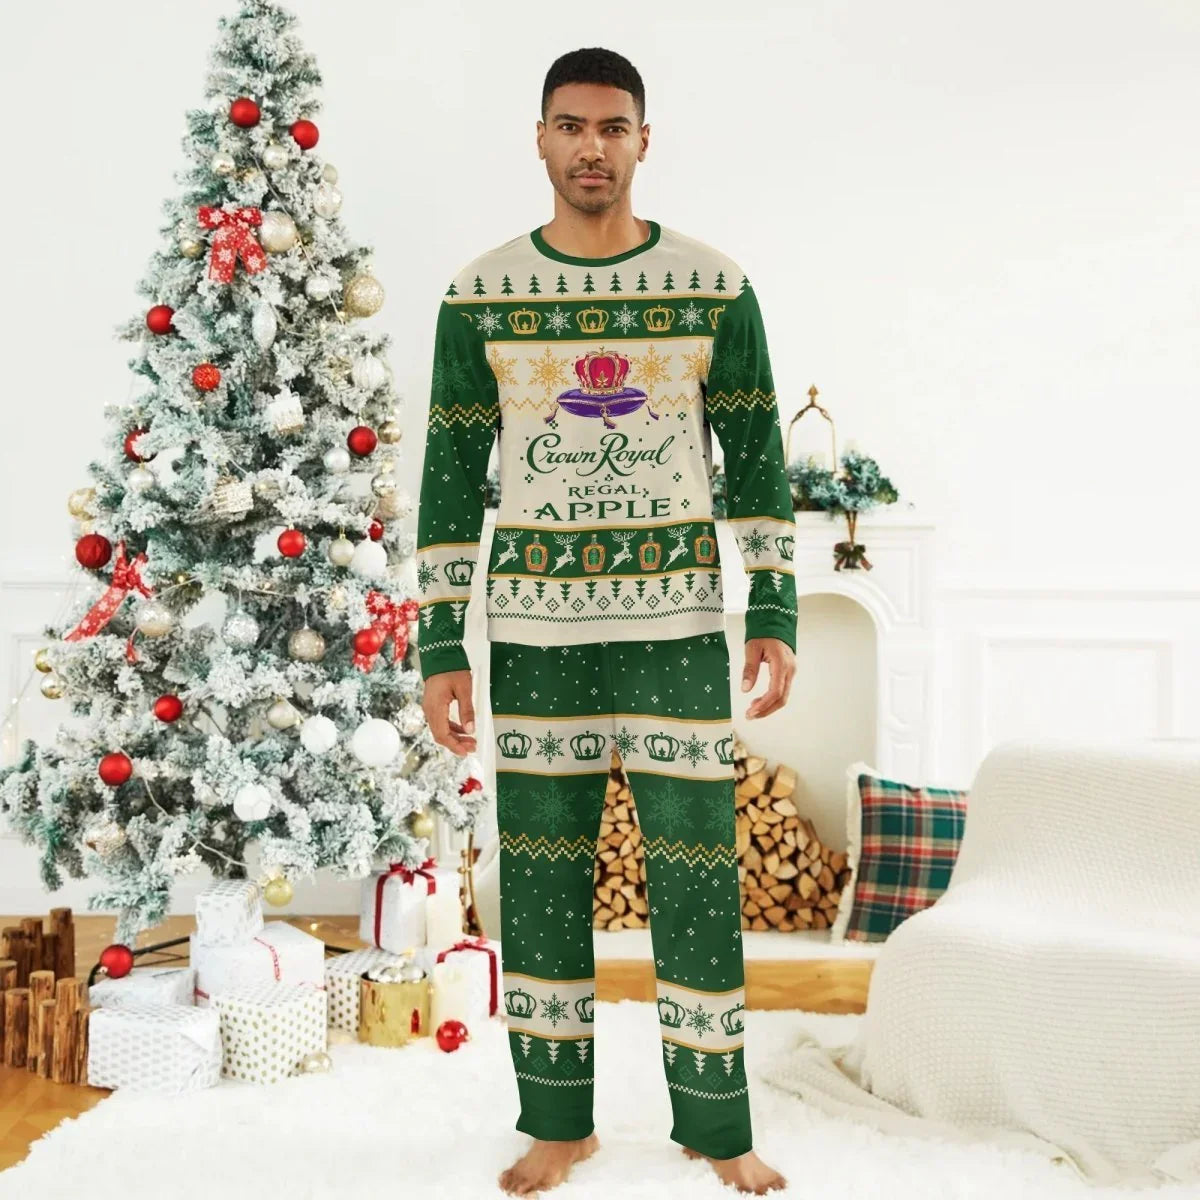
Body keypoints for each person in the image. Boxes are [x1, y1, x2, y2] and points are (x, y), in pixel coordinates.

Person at [417, 45, 794, 1197]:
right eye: (571, 126)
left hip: (679, 628)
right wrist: (440, 643)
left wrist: (771, 603)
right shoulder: (479, 297)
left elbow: (759, 455)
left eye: (613, 127)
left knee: (697, 879)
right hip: (534, 634)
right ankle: (556, 1123)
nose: (592, 147)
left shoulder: (714, 287)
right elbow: (446, 472)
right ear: (539, 139)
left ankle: (719, 1129)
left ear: (643, 140)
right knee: (537, 877)